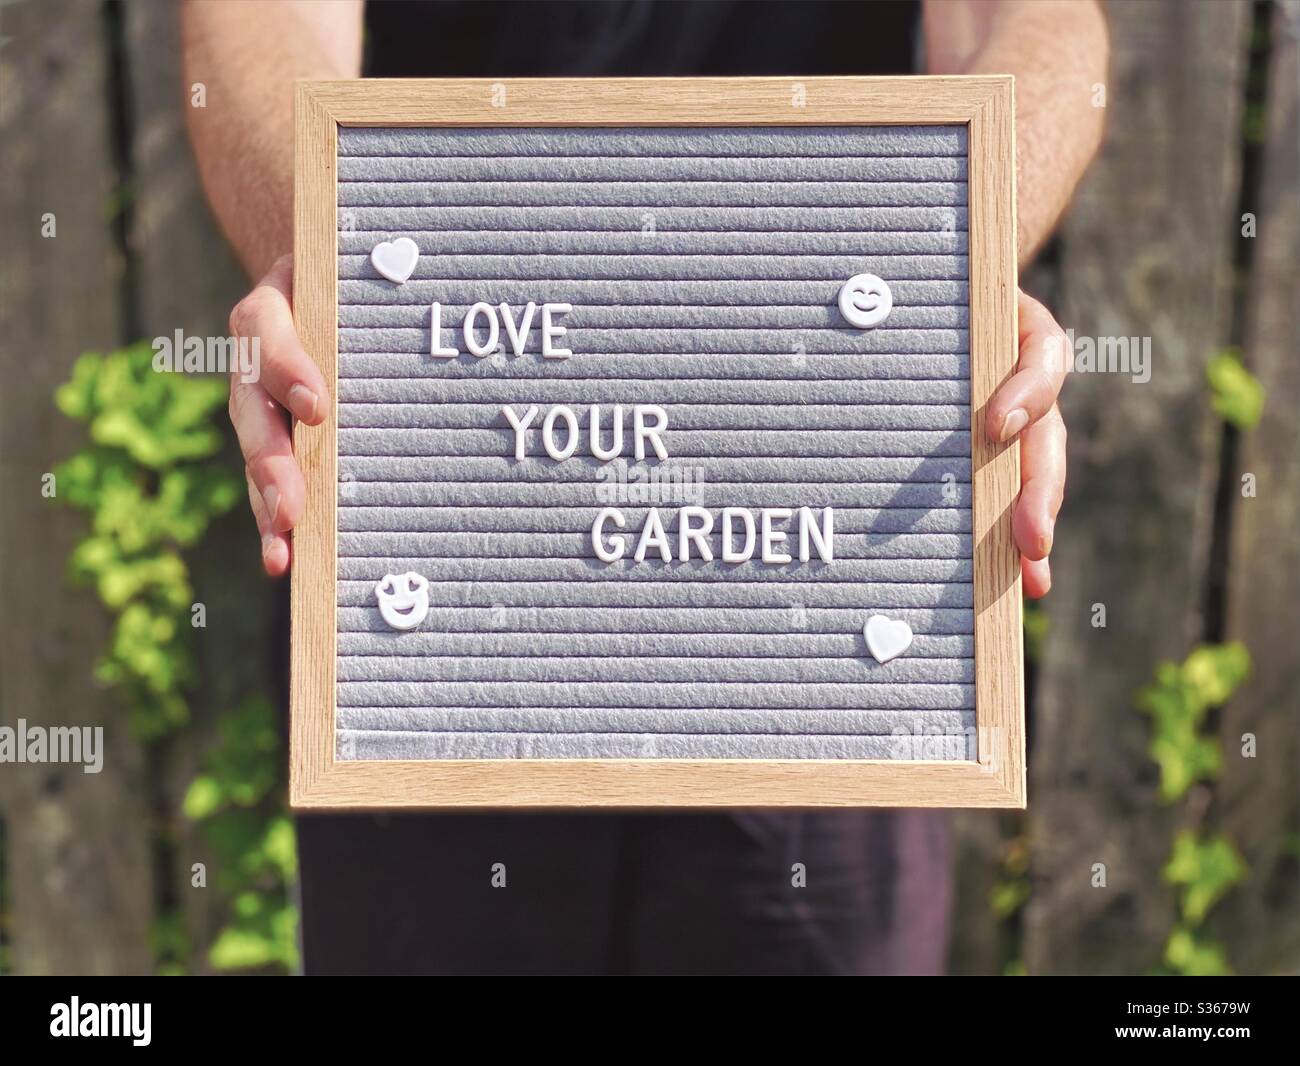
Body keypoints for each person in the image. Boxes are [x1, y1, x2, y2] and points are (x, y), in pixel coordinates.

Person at [182, 0, 1107, 974]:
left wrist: (949, 265)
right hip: (438, 560)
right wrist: (338, 259)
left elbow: (1029, 19)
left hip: (824, 575)